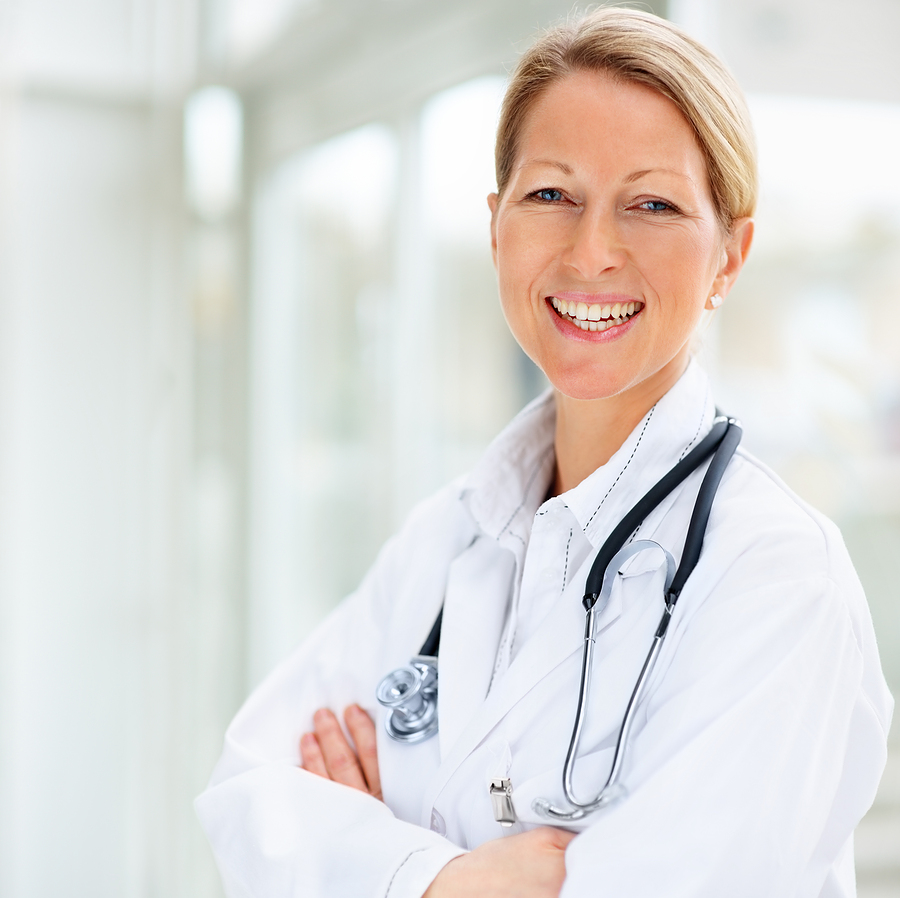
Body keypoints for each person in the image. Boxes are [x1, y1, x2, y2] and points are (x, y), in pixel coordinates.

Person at [196, 8, 893, 897]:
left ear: (731, 255)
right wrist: (444, 880)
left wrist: (363, 854)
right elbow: (250, 794)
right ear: (496, 225)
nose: (592, 250)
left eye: (652, 204)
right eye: (552, 194)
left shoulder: (777, 578)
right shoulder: (449, 537)